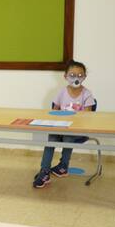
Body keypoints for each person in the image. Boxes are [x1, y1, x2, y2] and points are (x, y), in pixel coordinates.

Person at [33, 60, 95, 188]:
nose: (76, 78)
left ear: (84, 77)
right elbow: (54, 111)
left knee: (68, 137)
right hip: (61, 127)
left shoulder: (87, 94)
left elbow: (88, 116)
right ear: (66, 76)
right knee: (52, 138)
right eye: (72, 75)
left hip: (77, 131)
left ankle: (63, 166)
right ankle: (44, 170)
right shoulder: (61, 92)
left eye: (80, 75)